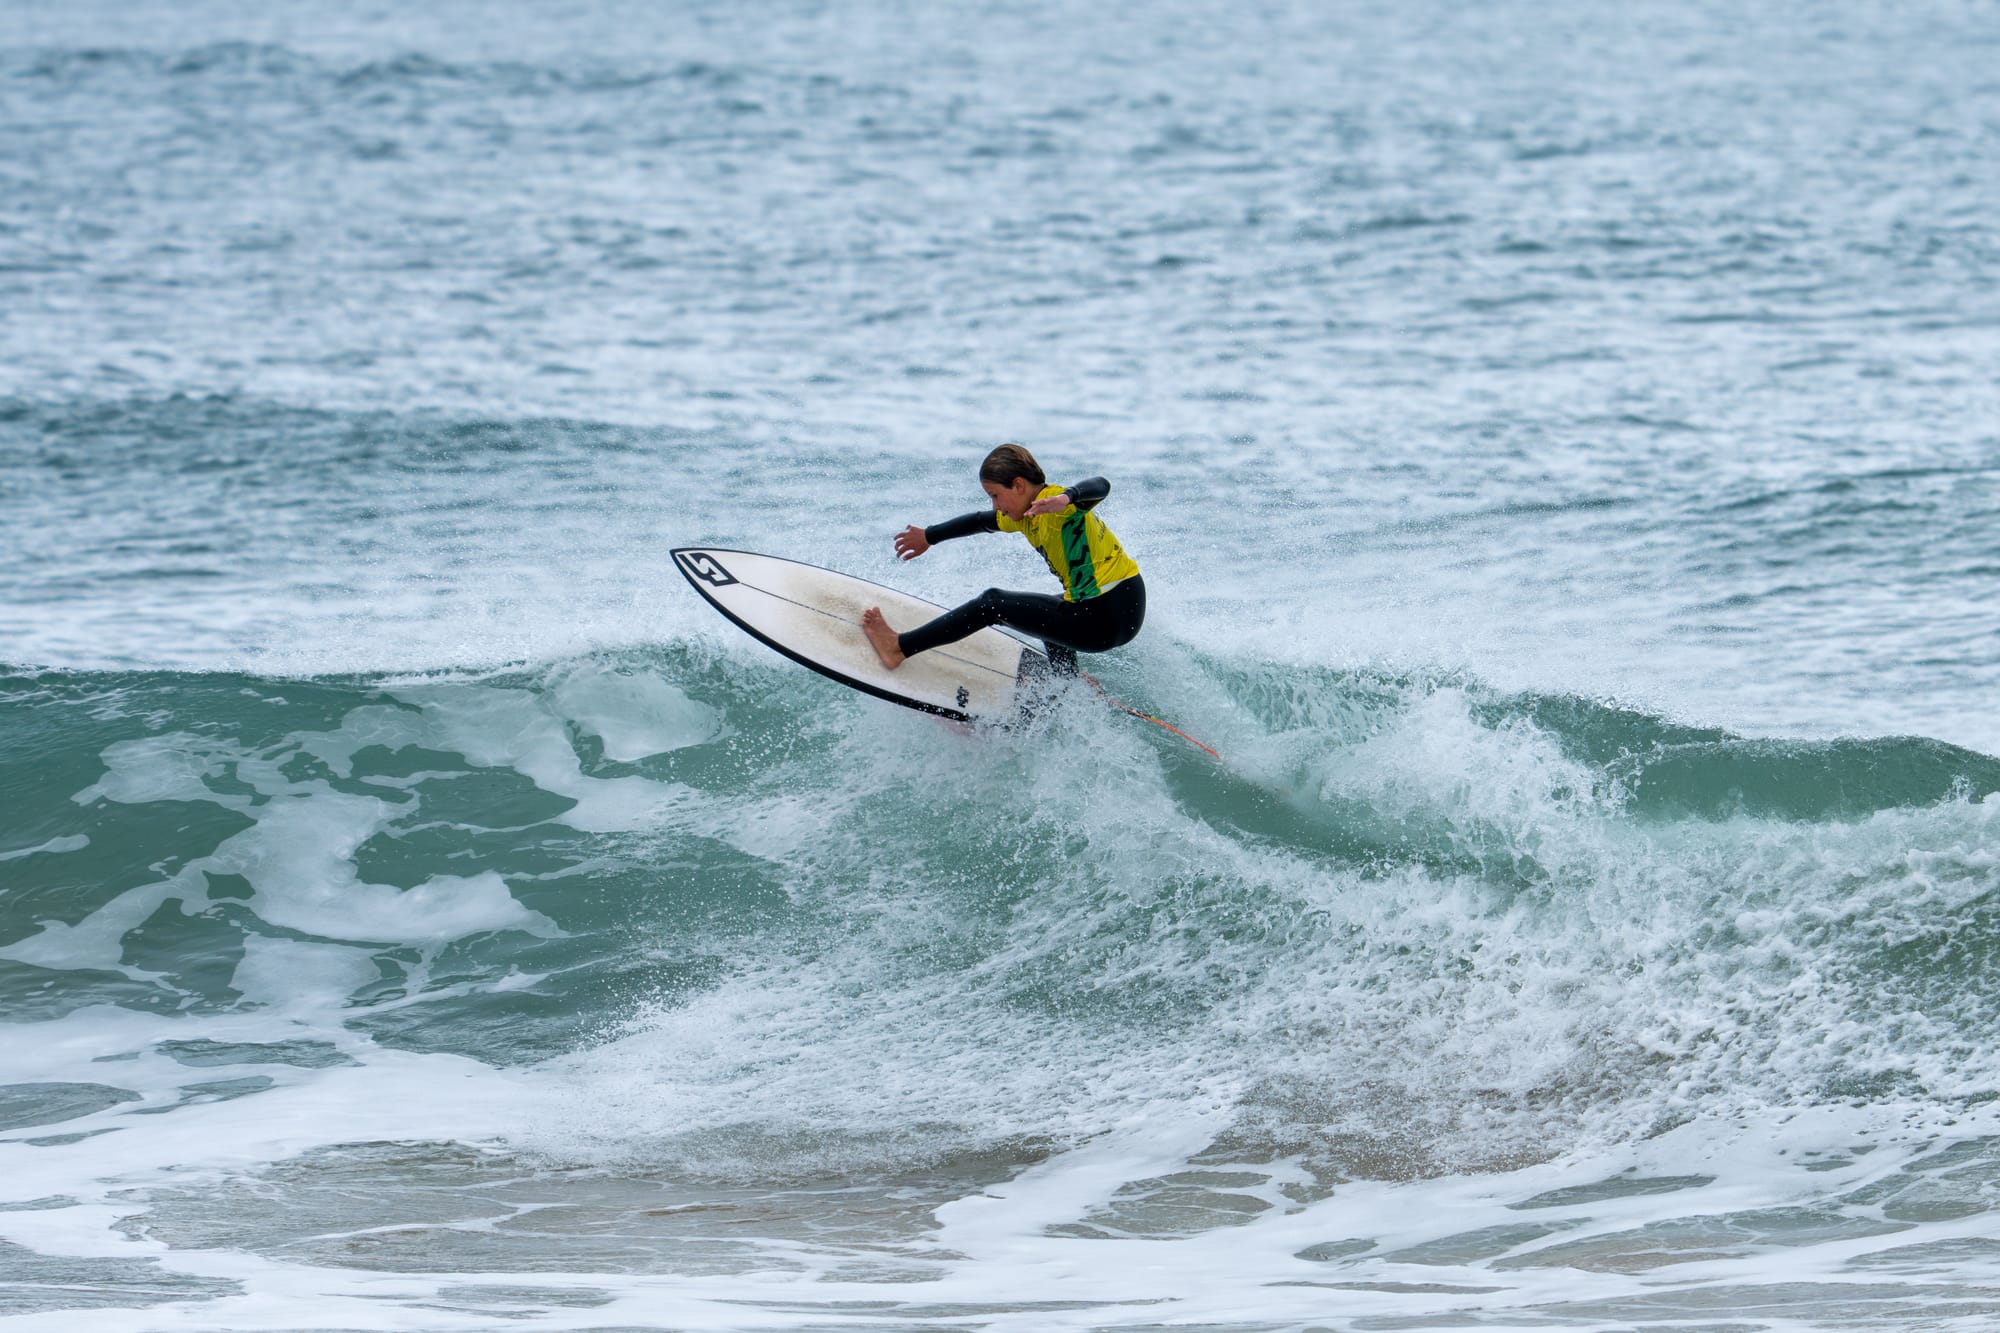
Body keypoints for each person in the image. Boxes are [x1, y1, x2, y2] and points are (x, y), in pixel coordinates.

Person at [861, 444, 1145, 679]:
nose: (995, 505)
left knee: (992, 603)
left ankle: (898, 648)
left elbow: (1102, 485)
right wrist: (929, 536)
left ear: (1018, 485)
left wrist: (1067, 497)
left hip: (1106, 617)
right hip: (1121, 604)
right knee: (1047, 613)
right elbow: (981, 521)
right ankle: (1071, 683)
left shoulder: (1056, 507)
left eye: (995, 495)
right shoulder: (1024, 514)